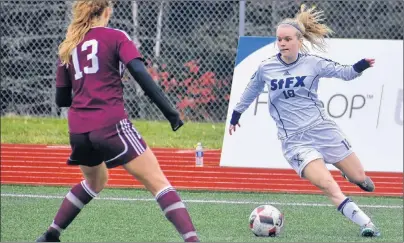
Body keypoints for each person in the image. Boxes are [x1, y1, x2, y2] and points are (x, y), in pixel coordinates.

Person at [36, 1, 199, 242]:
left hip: (79, 129)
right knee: (158, 182)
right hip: (110, 123)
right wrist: (170, 112)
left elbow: (61, 99)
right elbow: (140, 74)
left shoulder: (69, 44)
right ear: (107, 11)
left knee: (95, 180)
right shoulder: (116, 36)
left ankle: (51, 234)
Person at [229, 4, 380, 237]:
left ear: (298, 40)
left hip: (322, 130)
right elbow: (251, 90)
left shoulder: (312, 63)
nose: (282, 44)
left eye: (287, 39)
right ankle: (367, 224)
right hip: (295, 141)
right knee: (328, 185)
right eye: (279, 40)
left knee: (361, 179)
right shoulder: (266, 67)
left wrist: (359, 67)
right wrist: (236, 114)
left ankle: (350, 174)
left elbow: (344, 72)